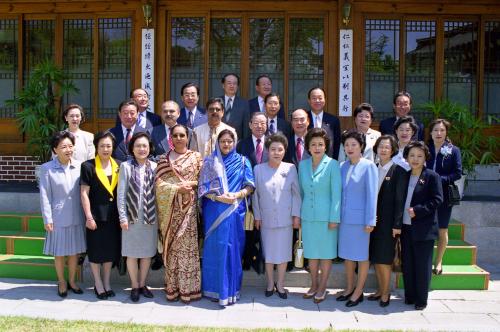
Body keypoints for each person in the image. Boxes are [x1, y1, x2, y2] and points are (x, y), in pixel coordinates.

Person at [199, 129, 255, 306]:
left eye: (229, 141)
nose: (226, 144)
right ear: (218, 142)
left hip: (234, 211)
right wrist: (218, 197)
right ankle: (213, 290)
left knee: (232, 250)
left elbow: (250, 186)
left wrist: (238, 194)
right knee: (215, 249)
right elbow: (202, 189)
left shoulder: (243, 161)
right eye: (223, 141)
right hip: (214, 211)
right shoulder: (209, 162)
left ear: (235, 142)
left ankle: (230, 291)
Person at [155, 124, 203, 303]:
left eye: (182, 135)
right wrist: (176, 188)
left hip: (189, 212)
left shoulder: (195, 157)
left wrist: (188, 186)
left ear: (187, 137)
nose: (179, 138)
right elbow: (159, 186)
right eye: (175, 135)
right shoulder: (163, 159)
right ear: (171, 138)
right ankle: (173, 288)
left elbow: (203, 180)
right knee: (173, 250)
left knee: (188, 250)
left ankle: (189, 289)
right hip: (171, 213)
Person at [253, 133, 301, 299]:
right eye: (273, 149)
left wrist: (296, 215)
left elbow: (296, 194)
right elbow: (256, 195)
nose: (276, 152)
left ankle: (280, 284)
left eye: (280, 149)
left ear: (284, 151)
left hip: (285, 218)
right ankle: (270, 283)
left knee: (283, 254)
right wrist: (257, 216)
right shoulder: (258, 169)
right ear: (267, 150)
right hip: (266, 219)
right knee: (269, 253)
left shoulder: (290, 168)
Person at [39, 131, 86, 297]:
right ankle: (61, 281)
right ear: (55, 150)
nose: (68, 149)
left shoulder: (81, 166)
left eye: (70, 146)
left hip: (77, 215)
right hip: (57, 216)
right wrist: (47, 218)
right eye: (63, 146)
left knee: (74, 252)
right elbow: (45, 195)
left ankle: (72, 281)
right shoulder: (47, 169)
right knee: (59, 253)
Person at [298, 128, 341, 303]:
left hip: (327, 218)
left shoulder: (333, 164)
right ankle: (313, 285)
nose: (317, 147)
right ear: (308, 146)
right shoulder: (302, 165)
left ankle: (323, 287)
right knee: (312, 254)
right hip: (308, 217)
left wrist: (334, 218)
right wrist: (299, 215)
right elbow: (300, 192)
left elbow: (336, 194)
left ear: (326, 147)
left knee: (325, 254)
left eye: (320, 144)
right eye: (313, 144)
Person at [337, 129, 378, 307]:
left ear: (361, 146)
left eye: (354, 144)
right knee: (347, 255)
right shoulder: (342, 166)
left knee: (361, 257)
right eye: (347, 145)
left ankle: (359, 291)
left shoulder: (369, 166)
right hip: (345, 219)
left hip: (361, 221)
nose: (350, 148)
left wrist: (370, 220)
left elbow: (372, 195)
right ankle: (349, 287)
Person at [400, 141, 443, 310]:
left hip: (423, 228)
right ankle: (409, 296)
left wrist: (418, 210)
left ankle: (421, 299)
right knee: (408, 263)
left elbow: (437, 199)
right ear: (407, 158)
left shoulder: (432, 176)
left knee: (422, 265)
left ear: (425, 157)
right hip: (405, 226)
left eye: (419, 156)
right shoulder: (404, 175)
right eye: (412, 155)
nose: (415, 159)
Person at [80, 131, 121, 300]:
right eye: (102, 146)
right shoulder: (88, 166)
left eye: (109, 146)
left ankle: (107, 282)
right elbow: (83, 193)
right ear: (96, 147)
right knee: (96, 252)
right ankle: (97, 283)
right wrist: (88, 216)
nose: (105, 149)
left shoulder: (119, 165)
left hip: (114, 217)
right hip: (95, 217)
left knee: (110, 252)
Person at [117, 132, 158, 302]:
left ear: (150, 148)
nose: (142, 149)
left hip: (150, 217)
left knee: (147, 253)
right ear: (132, 149)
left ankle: (142, 284)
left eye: (145, 146)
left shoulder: (156, 167)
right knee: (132, 254)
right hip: (132, 217)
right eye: (138, 146)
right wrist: (122, 217)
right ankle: (134, 285)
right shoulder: (126, 167)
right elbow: (121, 194)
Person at [368, 135, 406, 307]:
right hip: (372, 221)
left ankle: (385, 293)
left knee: (384, 259)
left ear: (393, 150)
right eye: (381, 146)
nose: (383, 150)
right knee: (375, 258)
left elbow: (400, 201)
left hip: (388, 223)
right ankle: (379, 290)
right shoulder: (372, 167)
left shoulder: (398, 171)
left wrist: (397, 224)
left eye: (387, 147)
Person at [427, 119, 462, 275]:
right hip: (425, 193)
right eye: (435, 130)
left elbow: (457, 173)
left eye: (442, 130)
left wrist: (441, 179)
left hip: (443, 195)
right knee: (426, 227)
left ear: (446, 132)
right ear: (430, 132)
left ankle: (439, 261)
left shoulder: (453, 150)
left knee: (442, 229)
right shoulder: (425, 148)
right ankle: (425, 260)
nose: (438, 133)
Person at [236, 111, 268, 273]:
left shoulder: (272, 143)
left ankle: (263, 259)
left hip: (268, 194)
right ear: (249, 125)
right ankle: (248, 258)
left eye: (262, 123)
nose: (259, 126)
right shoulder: (242, 144)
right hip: (248, 194)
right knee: (248, 229)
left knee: (265, 229)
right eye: (256, 123)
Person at [306, 87, 341, 160]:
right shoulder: (303, 119)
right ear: (309, 100)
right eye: (314, 98)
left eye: (320, 98)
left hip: (328, 162)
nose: (317, 101)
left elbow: (337, 144)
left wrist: (334, 161)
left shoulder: (333, 120)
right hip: (307, 161)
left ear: (325, 100)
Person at [220, 73, 251, 140]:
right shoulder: (217, 101)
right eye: (229, 83)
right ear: (223, 85)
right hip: (218, 142)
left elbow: (246, 127)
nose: (232, 85)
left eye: (234, 83)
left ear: (237, 86)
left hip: (237, 143)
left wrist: (243, 143)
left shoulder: (244, 103)